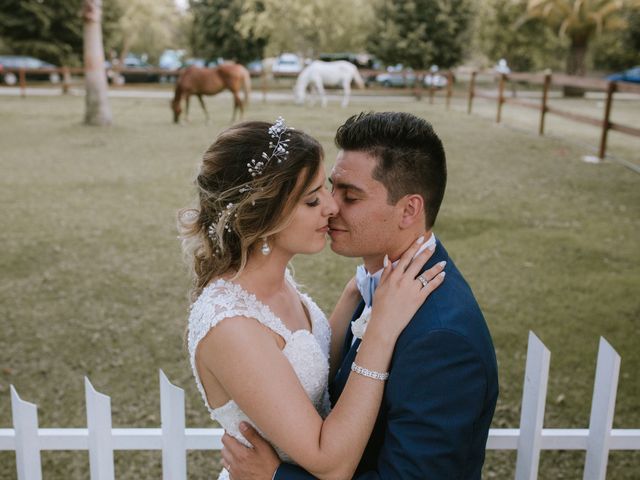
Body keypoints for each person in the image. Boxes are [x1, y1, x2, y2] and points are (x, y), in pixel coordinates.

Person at [221, 112, 499, 479]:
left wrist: (276, 477)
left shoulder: (441, 338)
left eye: (350, 196)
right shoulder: (375, 287)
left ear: (409, 210)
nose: (332, 206)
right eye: (331, 188)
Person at [179, 117, 447, 480]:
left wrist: (364, 285)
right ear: (264, 213)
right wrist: (380, 328)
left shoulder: (275, 282)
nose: (332, 207)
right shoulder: (230, 324)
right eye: (311, 200)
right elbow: (330, 462)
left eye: (327, 189)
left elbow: (311, 363)